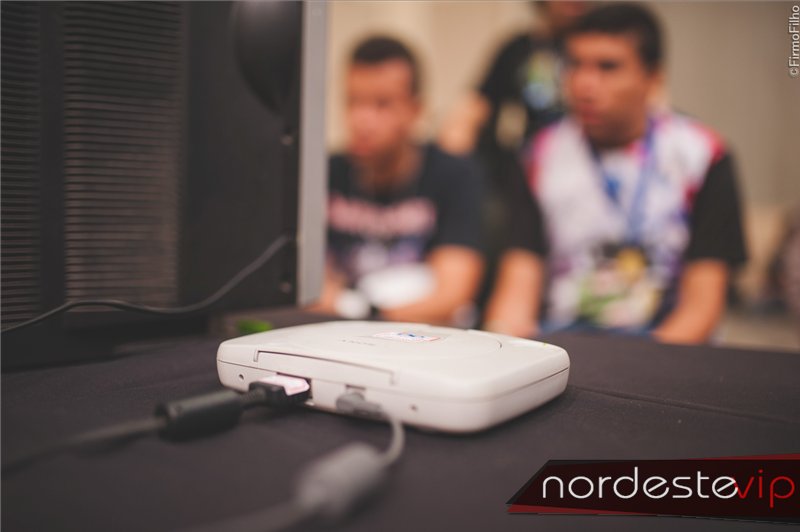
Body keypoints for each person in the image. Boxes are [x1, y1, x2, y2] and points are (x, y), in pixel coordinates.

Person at [484, 3, 747, 344]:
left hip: (668, 348)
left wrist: (641, 369)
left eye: (608, 67)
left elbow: (702, 308)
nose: (584, 84)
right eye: (575, 65)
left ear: (653, 77)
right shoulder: (539, 155)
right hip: (563, 345)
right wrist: (502, 347)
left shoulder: (703, 155)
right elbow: (517, 289)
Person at [311, 36, 484, 325]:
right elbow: (308, 289)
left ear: (415, 109)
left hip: (420, 337)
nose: (362, 120)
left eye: (382, 104)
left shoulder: (454, 174)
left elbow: (452, 295)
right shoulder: (323, 174)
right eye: (353, 101)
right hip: (342, 334)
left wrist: (364, 315)